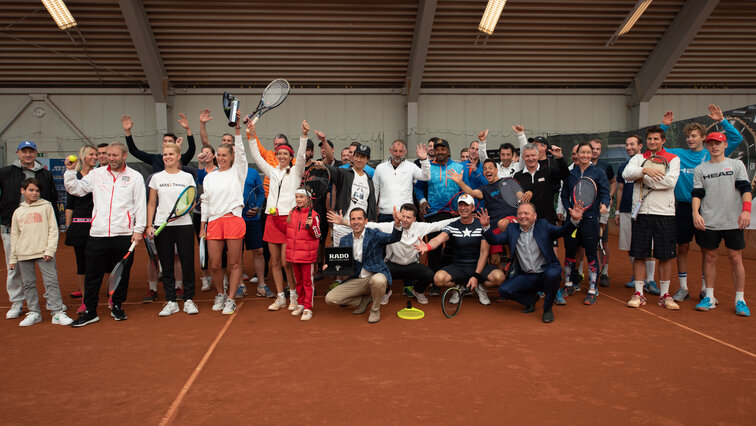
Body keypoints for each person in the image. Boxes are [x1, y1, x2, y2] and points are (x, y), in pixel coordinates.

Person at [660, 105, 744, 302]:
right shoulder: (678, 154)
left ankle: (707, 289)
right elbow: (659, 149)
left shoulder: (711, 153)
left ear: (703, 139)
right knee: (682, 248)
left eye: (695, 136)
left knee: (708, 251)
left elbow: (737, 139)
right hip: (681, 208)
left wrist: (722, 121)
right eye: (688, 136)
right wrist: (664, 127)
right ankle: (683, 288)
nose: (690, 139)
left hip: (706, 209)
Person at [65, 142, 146, 326]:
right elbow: (76, 189)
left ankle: (117, 306)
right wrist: (70, 172)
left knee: (121, 275)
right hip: (98, 234)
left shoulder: (135, 177)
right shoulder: (96, 174)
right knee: (92, 274)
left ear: (124, 156)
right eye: (108, 155)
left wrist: (138, 230)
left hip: (124, 233)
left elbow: (140, 205)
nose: (111, 158)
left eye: (115, 155)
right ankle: (90, 311)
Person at [328, 203, 456, 305]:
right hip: (392, 265)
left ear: (414, 219)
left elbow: (439, 225)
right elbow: (367, 224)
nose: (404, 220)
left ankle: (418, 291)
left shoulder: (420, 227)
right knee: (380, 273)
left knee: (429, 274)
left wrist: (462, 217)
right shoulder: (390, 226)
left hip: (412, 266)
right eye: (403, 216)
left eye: (408, 217)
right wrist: (343, 221)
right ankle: (386, 292)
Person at [481, 201, 586, 323]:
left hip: (546, 272)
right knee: (504, 290)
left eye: (526, 213)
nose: (522, 216)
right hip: (527, 276)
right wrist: (486, 227)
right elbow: (495, 240)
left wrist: (574, 220)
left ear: (535, 216)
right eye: (519, 213)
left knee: (552, 274)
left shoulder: (543, 225)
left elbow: (562, 231)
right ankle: (530, 301)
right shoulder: (512, 229)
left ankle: (547, 309)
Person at [248, 119, 308, 311]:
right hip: (272, 219)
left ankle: (294, 295)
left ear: (291, 157)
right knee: (273, 261)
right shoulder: (271, 171)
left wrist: (304, 136)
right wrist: (251, 134)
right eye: (279, 153)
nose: (282, 156)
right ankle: (281, 296)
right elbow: (256, 156)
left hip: (288, 219)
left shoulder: (297, 171)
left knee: (285, 262)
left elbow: (302, 155)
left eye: (285, 154)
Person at [691, 132, 751, 316]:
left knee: (735, 258)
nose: (714, 146)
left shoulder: (736, 165)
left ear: (725, 145)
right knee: (709, 257)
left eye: (718, 143)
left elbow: (746, 189)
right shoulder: (700, 169)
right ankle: (708, 296)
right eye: (710, 144)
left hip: (733, 221)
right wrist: (695, 213)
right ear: (707, 146)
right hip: (709, 221)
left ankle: (740, 300)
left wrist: (746, 210)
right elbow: (697, 194)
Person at [622, 126, 681, 310]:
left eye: (656, 139)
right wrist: (645, 171)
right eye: (650, 139)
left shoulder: (673, 159)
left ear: (663, 140)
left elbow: (670, 182)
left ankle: (665, 295)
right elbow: (626, 175)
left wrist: (642, 177)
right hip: (642, 213)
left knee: (665, 256)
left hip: (665, 213)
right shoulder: (639, 158)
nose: (653, 142)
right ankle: (639, 293)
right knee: (640, 254)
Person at [0, 140, 58, 320]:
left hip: (41, 230)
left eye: (31, 151)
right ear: (17, 153)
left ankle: (51, 300)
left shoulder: (45, 175)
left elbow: (53, 198)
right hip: (12, 228)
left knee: (49, 266)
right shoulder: (6, 172)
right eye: (24, 151)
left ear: (35, 153)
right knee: (14, 267)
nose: (27, 154)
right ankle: (17, 301)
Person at [415, 195, 506, 305]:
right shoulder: (453, 225)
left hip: (479, 266)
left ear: (472, 208)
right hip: (458, 267)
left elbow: (484, 253)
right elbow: (439, 239)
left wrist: (476, 275)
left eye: (466, 205)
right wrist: (428, 246)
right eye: (460, 205)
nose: (463, 208)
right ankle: (458, 287)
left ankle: (480, 288)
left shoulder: (481, 225)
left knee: (499, 277)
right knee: (438, 279)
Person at [199, 112, 248, 315]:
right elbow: (206, 203)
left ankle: (231, 299)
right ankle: (220, 293)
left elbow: (242, 153)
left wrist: (237, 128)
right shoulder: (210, 178)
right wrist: (203, 226)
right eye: (218, 155)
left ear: (232, 157)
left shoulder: (239, 171)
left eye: (224, 155)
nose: (220, 158)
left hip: (234, 220)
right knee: (215, 264)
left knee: (235, 263)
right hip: (214, 222)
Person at [9, 178, 73, 327]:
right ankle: (34, 313)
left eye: (37, 190)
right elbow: (15, 236)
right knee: (29, 284)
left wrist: (50, 249)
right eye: (31, 190)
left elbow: (53, 229)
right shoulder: (18, 211)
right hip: (24, 254)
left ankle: (57, 313)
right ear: (23, 191)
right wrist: (13, 258)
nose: (34, 193)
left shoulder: (46, 206)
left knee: (51, 282)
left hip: (44, 252)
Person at [324, 208, 403, 323]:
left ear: (365, 221)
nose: (356, 222)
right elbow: (343, 264)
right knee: (330, 299)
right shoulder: (344, 240)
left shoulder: (374, 234)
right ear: (350, 222)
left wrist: (397, 225)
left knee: (379, 280)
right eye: (353, 219)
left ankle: (375, 310)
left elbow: (393, 238)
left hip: (374, 277)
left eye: (359, 218)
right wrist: (330, 267)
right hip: (357, 280)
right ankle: (363, 301)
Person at [146, 143, 198, 316]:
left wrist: (184, 211)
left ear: (177, 157)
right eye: (165, 154)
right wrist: (149, 225)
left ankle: (189, 299)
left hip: (183, 225)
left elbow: (192, 202)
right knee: (166, 264)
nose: (167, 157)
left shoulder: (187, 177)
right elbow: (152, 203)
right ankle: (171, 301)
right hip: (162, 226)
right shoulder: (156, 178)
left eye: (170, 154)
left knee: (187, 263)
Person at [560, 142, 610, 305]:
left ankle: (592, 289)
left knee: (590, 253)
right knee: (570, 252)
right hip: (572, 221)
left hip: (590, 220)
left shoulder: (599, 172)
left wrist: (604, 205)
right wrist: (570, 211)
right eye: (582, 153)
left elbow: (605, 193)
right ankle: (568, 285)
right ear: (576, 155)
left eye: (588, 153)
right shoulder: (569, 174)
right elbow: (564, 195)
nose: (585, 155)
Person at [413, 139, 464, 273]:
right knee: (433, 249)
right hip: (434, 214)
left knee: (452, 247)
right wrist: (423, 201)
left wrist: (462, 208)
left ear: (449, 151)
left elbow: (465, 189)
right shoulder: (427, 167)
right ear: (434, 151)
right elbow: (418, 188)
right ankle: (435, 279)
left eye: (443, 149)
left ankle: (448, 275)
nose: (440, 152)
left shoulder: (459, 167)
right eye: (438, 149)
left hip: (454, 214)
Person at [615, 135, 657, 290]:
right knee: (630, 246)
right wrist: (618, 211)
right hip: (626, 210)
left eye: (632, 144)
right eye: (626, 144)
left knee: (648, 246)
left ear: (640, 146)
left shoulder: (651, 164)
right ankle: (637, 276)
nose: (628, 147)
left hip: (645, 211)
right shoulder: (624, 167)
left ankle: (650, 280)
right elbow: (620, 189)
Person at [64, 145, 97, 314]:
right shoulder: (74, 176)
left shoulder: (99, 175)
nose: (95, 156)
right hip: (79, 225)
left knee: (99, 262)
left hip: (97, 225)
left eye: (96, 154)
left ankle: (103, 295)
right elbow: (70, 204)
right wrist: (69, 226)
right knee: (81, 263)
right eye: (91, 154)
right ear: (83, 156)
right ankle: (85, 299)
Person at [121, 112, 203, 172]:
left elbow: (192, 149)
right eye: (165, 141)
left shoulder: (181, 158)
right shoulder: (155, 159)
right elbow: (134, 151)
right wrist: (127, 131)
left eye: (170, 141)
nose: (167, 143)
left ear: (175, 143)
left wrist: (188, 129)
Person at [286, 187, 321, 321]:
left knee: (307, 282)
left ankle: (308, 307)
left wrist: (312, 226)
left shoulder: (314, 215)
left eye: (301, 197)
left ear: (308, 199)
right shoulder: (292, 212)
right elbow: (288, 231)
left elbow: (318, 235)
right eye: (297, 197)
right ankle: (300, 303)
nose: (298, 199)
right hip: (294, 255)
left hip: (306, 256)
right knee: (298, 281)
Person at [373, 139, 430, 222]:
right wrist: (373, 211)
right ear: (390, 151)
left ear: (405, 151)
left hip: (406, 215)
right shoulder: (380, 168)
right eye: (395, 151)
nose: (398, 154)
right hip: (385, 214)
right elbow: (375, 191)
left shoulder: (411, 166)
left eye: (400, 151)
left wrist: (424, 160)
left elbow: (426, 177)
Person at [514, 142, 568, 225]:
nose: (530, 158)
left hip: (547, 221)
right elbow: (516, 196)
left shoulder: (548, 171)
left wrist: (560, 158)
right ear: (523, 158)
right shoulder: (518, 176)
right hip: (527, 222)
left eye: (533, 155)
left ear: (538, 156)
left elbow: (565, 175)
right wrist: (522, 196)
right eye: (527, 156)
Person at [589, 139, 617, 286]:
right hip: (586, 210)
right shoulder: (580, 166)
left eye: (598, 149)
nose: (594, 151)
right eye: (592, 148)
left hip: (602, 209)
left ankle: (604, 272)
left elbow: (613, 182)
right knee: (585, 242)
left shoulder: (606, 166)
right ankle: (582, 272)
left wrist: (610, 197)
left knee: (603, 242)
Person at [241, 163, 269, 298]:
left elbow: (261, 193)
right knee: (236, 253)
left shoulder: (253, 172)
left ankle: (262, 284)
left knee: (259, 251)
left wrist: (257, 207)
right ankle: (240, 285)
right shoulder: (228, 173)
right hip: (235, 220)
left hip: (252, 219)